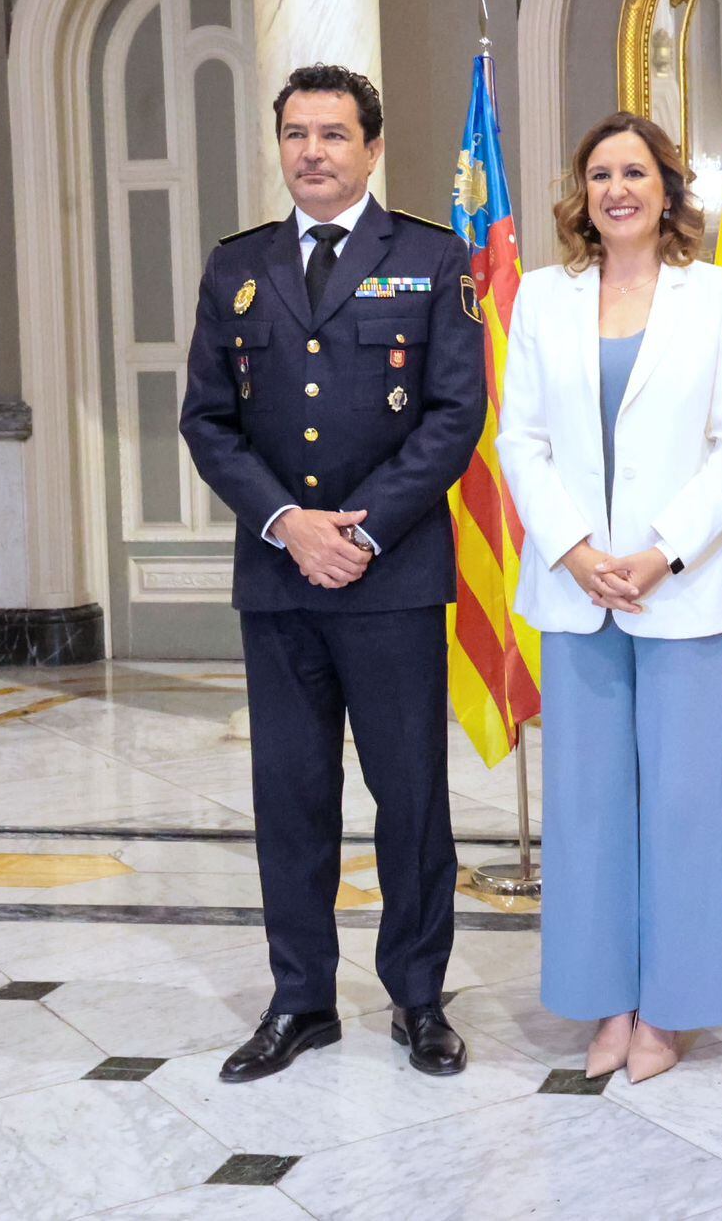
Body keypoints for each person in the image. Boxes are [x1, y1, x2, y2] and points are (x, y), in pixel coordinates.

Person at [180, 63, 484, 1081]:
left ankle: (417, 998)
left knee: (409, 799)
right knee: (292, 795)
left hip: (391, 578)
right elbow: (208, 421)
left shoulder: (434, 261)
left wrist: (358, 531)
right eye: (295, 134)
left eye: (332, 134)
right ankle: (300, 999)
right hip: (278, 583)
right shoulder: (237, 267)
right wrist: (285, 523)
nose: (311, 150)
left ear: (371, 147)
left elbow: (454, 415)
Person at [497, 112, 722, 1084]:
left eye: (636, 171)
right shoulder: (538, 298)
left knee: (688, 803)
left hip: (680, 590)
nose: (618, 188)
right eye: (600, 172)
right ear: (583, 191)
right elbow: (518, 438)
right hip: (574, 590)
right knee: (586, 803)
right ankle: (605, 998)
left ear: (667, 187)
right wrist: (573, 549)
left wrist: (659, 554)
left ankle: (673, 1006)